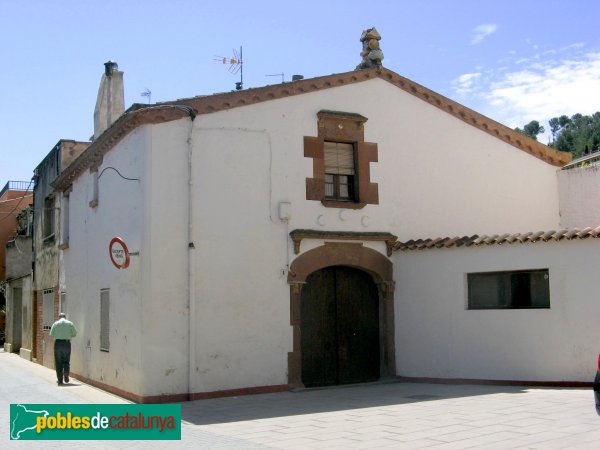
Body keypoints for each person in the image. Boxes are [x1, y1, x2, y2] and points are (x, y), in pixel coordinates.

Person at [49, 312, 77, 385]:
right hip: (67, 344)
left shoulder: (55, 324)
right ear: (65, 317)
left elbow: (51, 334)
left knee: (58, 362)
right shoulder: (70, 323)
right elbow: (74, 334)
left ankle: (60, 380)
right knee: (66, 361)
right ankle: (66, 374)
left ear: (59, 317)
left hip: (58, 344)